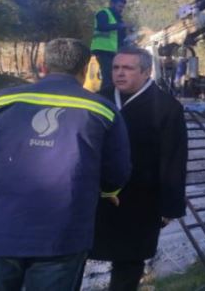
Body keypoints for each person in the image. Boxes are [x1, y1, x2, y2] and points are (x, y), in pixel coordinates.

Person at [0, 38, 131, 291]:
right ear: (84, 70)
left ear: (42, 65)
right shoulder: (104, 110)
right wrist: (107, 191)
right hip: (61, 234)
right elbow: (117, 173)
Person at [80, 47, 188, 291]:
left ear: (146, 72)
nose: (119, 73)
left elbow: (173, 159)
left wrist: (171, 205)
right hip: (95, 197)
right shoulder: (99, 101)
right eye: (116, 68)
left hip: (141, 198)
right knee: (77, 255)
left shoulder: (166, 107)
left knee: (129, 260)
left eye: (127, 68)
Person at [91, 0, 130, 92]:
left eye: (123, 7)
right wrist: (120, 25)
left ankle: (112, 97)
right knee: (108, 77)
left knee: (113, 77)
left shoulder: (117, 18)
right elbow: (102, 26)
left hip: (113, 51)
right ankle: (106, 99)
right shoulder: (103, 13)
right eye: (120, 6)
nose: (121, 9)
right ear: (112, 4)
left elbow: (119, 36)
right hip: (103, 50)